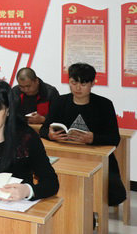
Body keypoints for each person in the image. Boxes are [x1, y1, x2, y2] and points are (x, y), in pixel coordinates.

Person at [39, 63, 126, 206]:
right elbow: (43, 129)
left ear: (92, 83)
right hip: (65, 155)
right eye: (74, 83)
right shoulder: (60, 102)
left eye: (83, 84)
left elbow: (114, 139)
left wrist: (93, 138)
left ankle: (93, 210)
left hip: (96, 158)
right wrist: (50, 136)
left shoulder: (104, 104)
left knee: (113, 191)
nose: (78, 88)